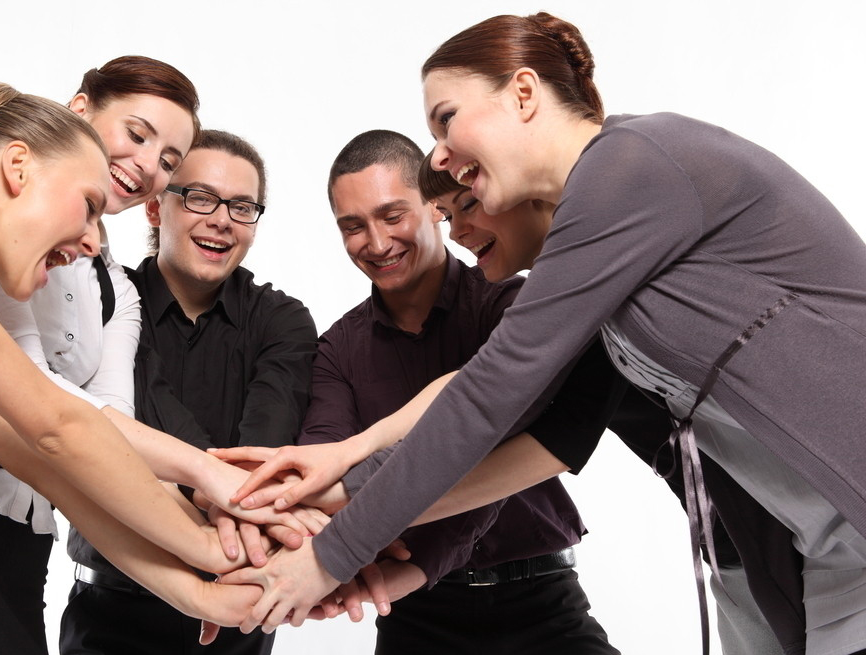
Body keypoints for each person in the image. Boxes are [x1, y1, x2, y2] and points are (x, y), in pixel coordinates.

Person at [219, 12, 866, 655]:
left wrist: (330, 552)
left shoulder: (632, 165)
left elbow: (492, 396)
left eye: (446, 119)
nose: (437, 156)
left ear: (523, 93)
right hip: (805, 547)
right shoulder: (596, 245)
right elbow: (496, 395)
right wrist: (344, 462)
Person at [0, 64, 290, 655]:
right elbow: (56, 423)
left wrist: (197, 590)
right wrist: (210, 510)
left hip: (20, 530)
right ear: (18, 165)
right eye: (86, 204)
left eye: (168, 160)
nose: (92, 240)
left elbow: (61, 458)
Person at [418, 156, 802, 655]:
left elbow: (560, 438)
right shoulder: (554, 299)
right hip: (733, 547)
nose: (456, 232)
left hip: (799, 537)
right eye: (447, 215)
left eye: (469, 203)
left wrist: (378, 519)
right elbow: (486, 400)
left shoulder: (613, 265)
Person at [298, 128, 618, 654]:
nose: (376, 243)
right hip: (414, 616)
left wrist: (411, 554)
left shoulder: (512, 305)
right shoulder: (337, 348)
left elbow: (485, 443)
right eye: (353, 226)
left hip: (539, 598)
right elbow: (324, 465)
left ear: (434, 206)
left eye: (392, 215)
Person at [59, 129, 319, 655]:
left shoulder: (283, 320)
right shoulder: (105, 301)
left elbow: (262, 458)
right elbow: (121, 420)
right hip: (111, 607)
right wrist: (216, 488)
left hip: (241, 609)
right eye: (201, 197)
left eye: (242, 207)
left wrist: (227, 492)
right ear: (156, 209)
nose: (222, 219)